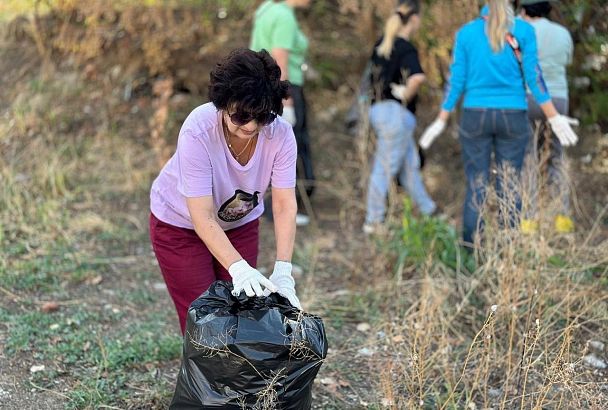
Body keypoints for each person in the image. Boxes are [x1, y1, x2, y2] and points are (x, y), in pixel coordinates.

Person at [149, 48, 302, 334]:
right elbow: (202, 217)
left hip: (239, 223)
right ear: (223, 103)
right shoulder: (199, 129)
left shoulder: (280, 134)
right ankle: (206, 379)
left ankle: (235, 380)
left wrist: (283, 270)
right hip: (180, 226)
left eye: (263, 116)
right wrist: (238, 267)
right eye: (242, 116)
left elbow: (283, 205)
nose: (252, 126)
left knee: (241, 313)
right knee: (205, 319)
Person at [419, 0, 578, 247]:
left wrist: (442, 118)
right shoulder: (524, 31)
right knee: (510, 183)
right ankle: (509, 248)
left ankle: (472, 250)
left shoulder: (466, 33)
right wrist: (553, 116)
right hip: (512, 115)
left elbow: (456, 80)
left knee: (477, 183)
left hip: (475, 114)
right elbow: (534, 78)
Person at [362, 0, 437, 234]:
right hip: (396, 114)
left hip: (378, 111)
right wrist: (406, 93)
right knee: (384, 168)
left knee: (409, 165)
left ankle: (428, 210)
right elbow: (417, 77)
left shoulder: (381, 44)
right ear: (414, 19)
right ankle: (373, 221)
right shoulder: (406, 47)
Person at [250, 0, 313, 226]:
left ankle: (270, 206)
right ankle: (286, 208)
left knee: (270, 147)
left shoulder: (266, 9)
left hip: (264, 87)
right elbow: (280, 58)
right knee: (291, 147)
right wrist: (286, 102)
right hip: (285, 88)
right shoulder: (284, 16)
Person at [520, 0, 575, 233]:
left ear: (524, 10)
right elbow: (567, 61)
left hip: (530, 97)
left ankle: (528, 220)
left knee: (529, 158)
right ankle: (562, 219)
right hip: (559, 99)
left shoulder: (521, 31)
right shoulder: (562, 33)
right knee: (556, 157)